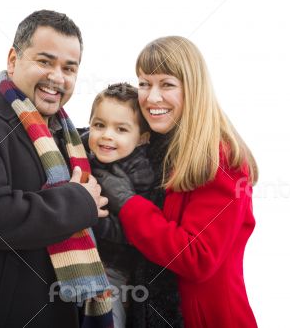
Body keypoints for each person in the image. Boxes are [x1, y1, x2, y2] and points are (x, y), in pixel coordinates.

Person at [0, 10, 113, 328]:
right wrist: (78, 202)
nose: (57, 78)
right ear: (13, 59)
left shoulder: (73, 139)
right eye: (45, 62)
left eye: (69, 68)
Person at [93, 36, 259, 328]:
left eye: (166, 84)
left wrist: (128, 203)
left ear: (192, 88)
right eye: (144, 83)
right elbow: (108, 130)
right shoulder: (155, 146)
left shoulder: (221, 159)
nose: (151, 97)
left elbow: (197, 257)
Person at [84, 82, 153, 327]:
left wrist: (90, 219)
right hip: (80, 261)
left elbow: (132, 233)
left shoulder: (140, 172)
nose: (107, 135)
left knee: (108, 318)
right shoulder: (81, 151)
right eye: (99, 125)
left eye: (121, 129)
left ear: (142, 138)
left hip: (114, 268)